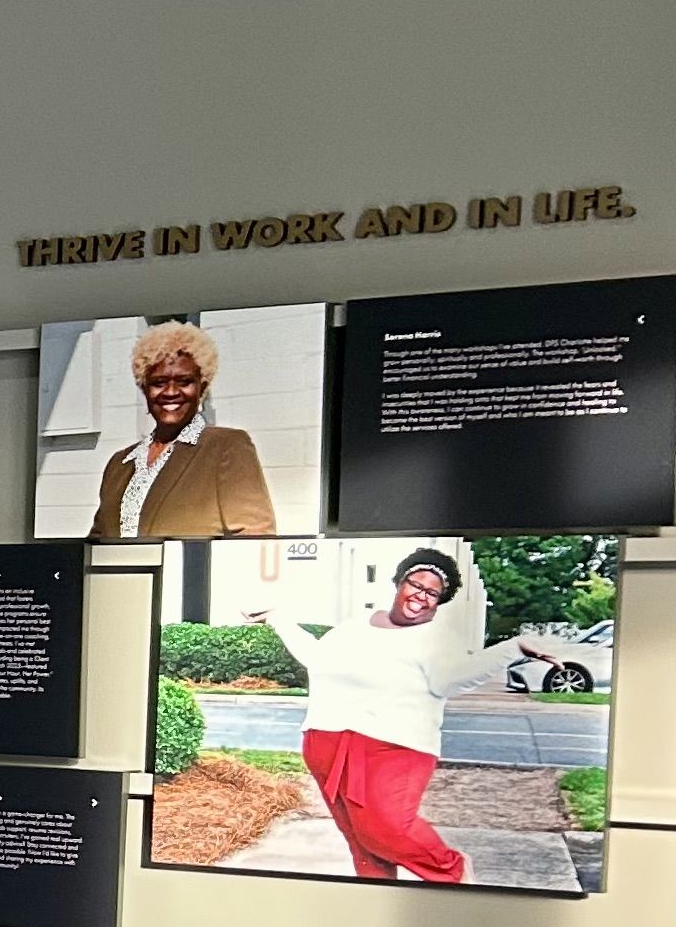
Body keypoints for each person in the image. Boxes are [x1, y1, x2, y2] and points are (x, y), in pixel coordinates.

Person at [263, 548, 571, 884]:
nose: (421, 597)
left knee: (388, 829)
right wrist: (276, 617)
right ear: (399, 583)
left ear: (439, 601)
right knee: (362, 843)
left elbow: (450, 678)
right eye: (415, 585)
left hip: (397, 746)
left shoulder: (435, 637)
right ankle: (378, 904)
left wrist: (512, 649)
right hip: (326, 743)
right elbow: (316, 656)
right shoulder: (353, 628)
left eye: (432, 593)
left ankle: (450, 871)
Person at [83, 321, 279, 539]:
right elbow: (95, 545)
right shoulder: (119, 464)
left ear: (201, 388)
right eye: (159, 382)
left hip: (190, 573)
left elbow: (254, 540)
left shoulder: (227, 447)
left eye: (184, 381)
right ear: (144, 389)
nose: (171, 392)